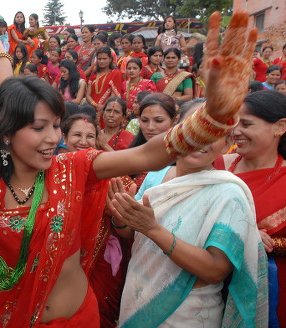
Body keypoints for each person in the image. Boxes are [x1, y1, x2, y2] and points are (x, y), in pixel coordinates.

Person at [0, 11, 256, 327]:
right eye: (39, 128)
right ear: (7, 132)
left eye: (55, 125)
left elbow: (150, 155)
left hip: (80, 317)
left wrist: (213, 116)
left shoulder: (73, 166)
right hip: (11, 318)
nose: (53, 138)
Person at [110, 99, 267, 328]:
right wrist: (121, 216)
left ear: (227, 143)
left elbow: (215, 270)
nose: (201, 139)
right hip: (137, 297)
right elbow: (133, 234)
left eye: (214, 132)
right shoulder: (157, 176)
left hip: (188, 313)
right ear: (176, 131)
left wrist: (153, 230)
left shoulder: (228, 193)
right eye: (195, 128)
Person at [221, 90, 286, 327]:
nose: (236, 131)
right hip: (213, 285)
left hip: (274, 290)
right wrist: (245, 236)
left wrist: (268, 244)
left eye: (246, 124)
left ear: (280, 127)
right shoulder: (219, 167)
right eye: (235, 123)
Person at [129, 93, 178, 188]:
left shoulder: (184, 158)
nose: (150, 127)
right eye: (144, 120)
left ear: (174, 121)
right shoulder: (133, 153)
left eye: (158, 121)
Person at [85, 47, 123, 125]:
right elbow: (88, 95)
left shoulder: (116, 73)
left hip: (109, 110)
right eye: (99, 59)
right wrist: (96, 105)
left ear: (110, 59)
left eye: (104, 59)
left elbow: (115, 94)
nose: (101, 61)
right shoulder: (94, 74)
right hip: (93, 110)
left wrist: (104, 106)